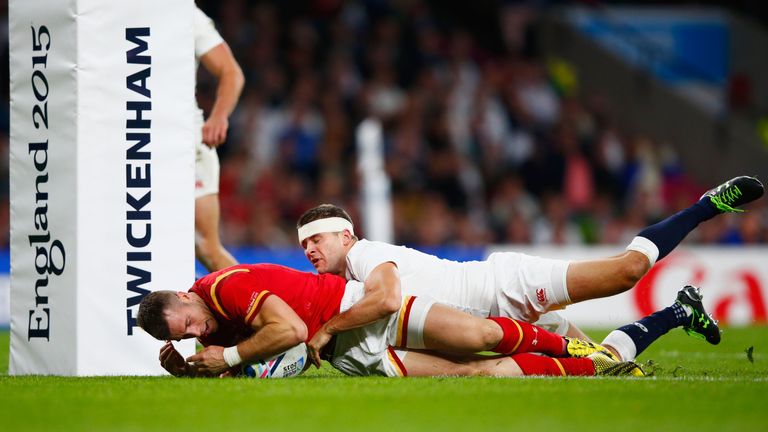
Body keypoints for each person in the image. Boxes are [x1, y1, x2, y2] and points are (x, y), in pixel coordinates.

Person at [296, 176, 764, 362]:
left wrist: (324, 332)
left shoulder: (364, 255)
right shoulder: (346, 282)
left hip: (505, 289)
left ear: (345, 235)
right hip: (497, 323)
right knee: (605, 365)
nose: (310, 251)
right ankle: (680, 312)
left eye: (317, 239)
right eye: (304, 245)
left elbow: (388, 299)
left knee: (625, 272)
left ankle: (705, 206)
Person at [136, 263, 647, 378]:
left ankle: (577, 347)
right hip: (351, 356)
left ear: (187, 295)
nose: (197, 334)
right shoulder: (213, 322)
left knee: (484, 335)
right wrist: (195, 371)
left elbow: (289, 332)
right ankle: (596, 369)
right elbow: (249, 370)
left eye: (190, 324)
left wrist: (223, 355)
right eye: (188, 337)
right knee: (474, 372)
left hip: (353, 309)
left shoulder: (225, 288)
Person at [193, 6, 244, 271]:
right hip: (119, 140)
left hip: (184, 144)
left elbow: (231, 72)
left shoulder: (183, 14)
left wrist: (218, 116)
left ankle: (259, 311)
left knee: (205, 246)